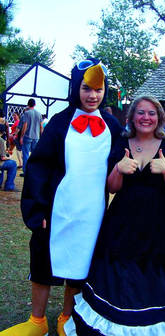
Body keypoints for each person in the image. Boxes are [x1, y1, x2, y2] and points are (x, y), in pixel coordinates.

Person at [0, 59, 122, 336]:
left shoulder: (113, 126)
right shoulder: (59, 122)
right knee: (43, 262)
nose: (93, 95)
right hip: (56, 209)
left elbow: (120, 164)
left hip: (93, 213)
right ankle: (37, 321)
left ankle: (67, 317)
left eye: (98, 89)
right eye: (86, 88)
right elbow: (39, 166)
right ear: (75, 88)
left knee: (81, 265)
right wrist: (37, 209)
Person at [64, 96, 165, 335]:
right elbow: (112, 187)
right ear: (132, 117)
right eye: (141, 113)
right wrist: (118, 168)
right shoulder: (121, 141)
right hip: (122, 222)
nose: (146, 118)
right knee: (119, 270)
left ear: (159, 117)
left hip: (159, 223)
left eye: (151, 113)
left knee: (155, 272)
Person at [0, 124, 18, 192]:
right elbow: (2, 158)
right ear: (2, 132)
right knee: (13, 164)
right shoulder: (1, 140)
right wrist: (9, 158)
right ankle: (9, 186)